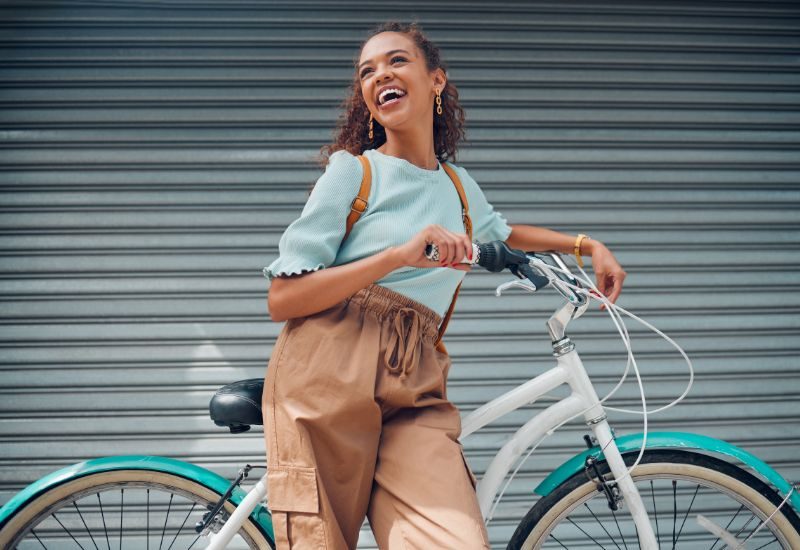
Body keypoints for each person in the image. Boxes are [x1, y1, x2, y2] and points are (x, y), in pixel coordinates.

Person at [261, 20, 627, 550]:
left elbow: (505, 232)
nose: (379, 74)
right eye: (367, 70)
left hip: (415, 380)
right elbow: (283, 298)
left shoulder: (458, 188)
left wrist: (585, 246)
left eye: (396, 61)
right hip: (326, 374)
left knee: (455, 539)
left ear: (437, 80)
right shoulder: (353, 174)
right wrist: (396, 255)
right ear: (365, 97)